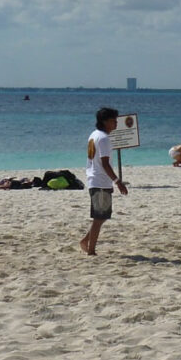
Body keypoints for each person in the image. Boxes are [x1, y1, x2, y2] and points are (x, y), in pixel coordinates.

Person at [80, 107, 128, 255]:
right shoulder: (103, 138)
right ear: (104, 121)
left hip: (95, 179)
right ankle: (90, 249)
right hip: (100, 180)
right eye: (113, 121)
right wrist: (118, 181)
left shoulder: (94, 135)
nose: (116, 124)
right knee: (99, 217)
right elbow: (105, 163)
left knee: (102, 216)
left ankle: (86, 241)